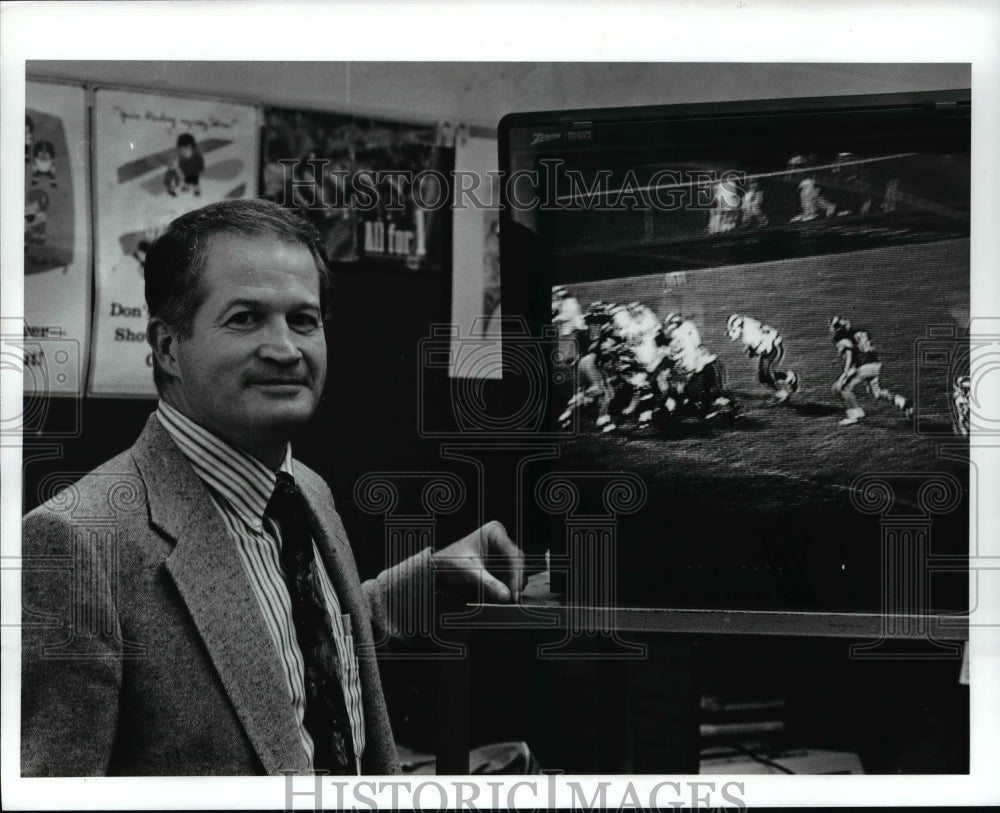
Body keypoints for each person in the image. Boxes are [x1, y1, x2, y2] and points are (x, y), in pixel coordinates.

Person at [21, 199, 524, 777]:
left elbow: (285, 654)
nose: (285, 349)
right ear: (166, 347)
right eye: (245, 318)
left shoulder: (303, 488)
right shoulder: (79, 543)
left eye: (303, 320)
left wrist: (430, 582)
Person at [829, 315, 913, 426]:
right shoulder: (861, 332)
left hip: (864, 366)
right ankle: (902, 402)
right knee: (876, 393)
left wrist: (844, 374)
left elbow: (849, 356)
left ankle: (854, 415)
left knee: (844, 388)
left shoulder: (842, 338)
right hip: (876, 364)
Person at [726, 313, 798, 401]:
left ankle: (782, 393)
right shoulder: (747, 323)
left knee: (765, 376)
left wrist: (753, 352)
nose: (730, 334)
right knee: (765, 376)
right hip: (772, 342)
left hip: (772, 347)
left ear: (740, 327)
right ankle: (789, 378)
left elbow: (762, 348)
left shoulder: (748, 337)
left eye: (733, 330)